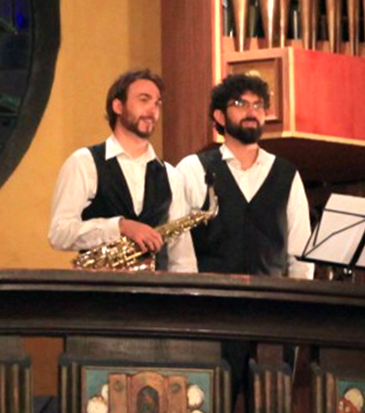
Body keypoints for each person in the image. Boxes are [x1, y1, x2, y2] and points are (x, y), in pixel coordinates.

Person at [48, 69, 196, 271]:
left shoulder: (171, 175)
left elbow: (182, 256)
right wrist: (119, 227)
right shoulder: (84, 163)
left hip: (155, 298)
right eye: (144, 99)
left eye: (157, 103)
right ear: (118, 106)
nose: (152, 109)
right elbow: (59, 233)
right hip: (100, 296)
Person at [174, 72, 314, 278]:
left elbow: (300, 252)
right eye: (241, 104)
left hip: (272, 304)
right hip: (211, 301)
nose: (251, 112)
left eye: (258, 105)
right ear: (220, 116)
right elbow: (179, 249)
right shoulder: (192, 168)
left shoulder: (287, 173)